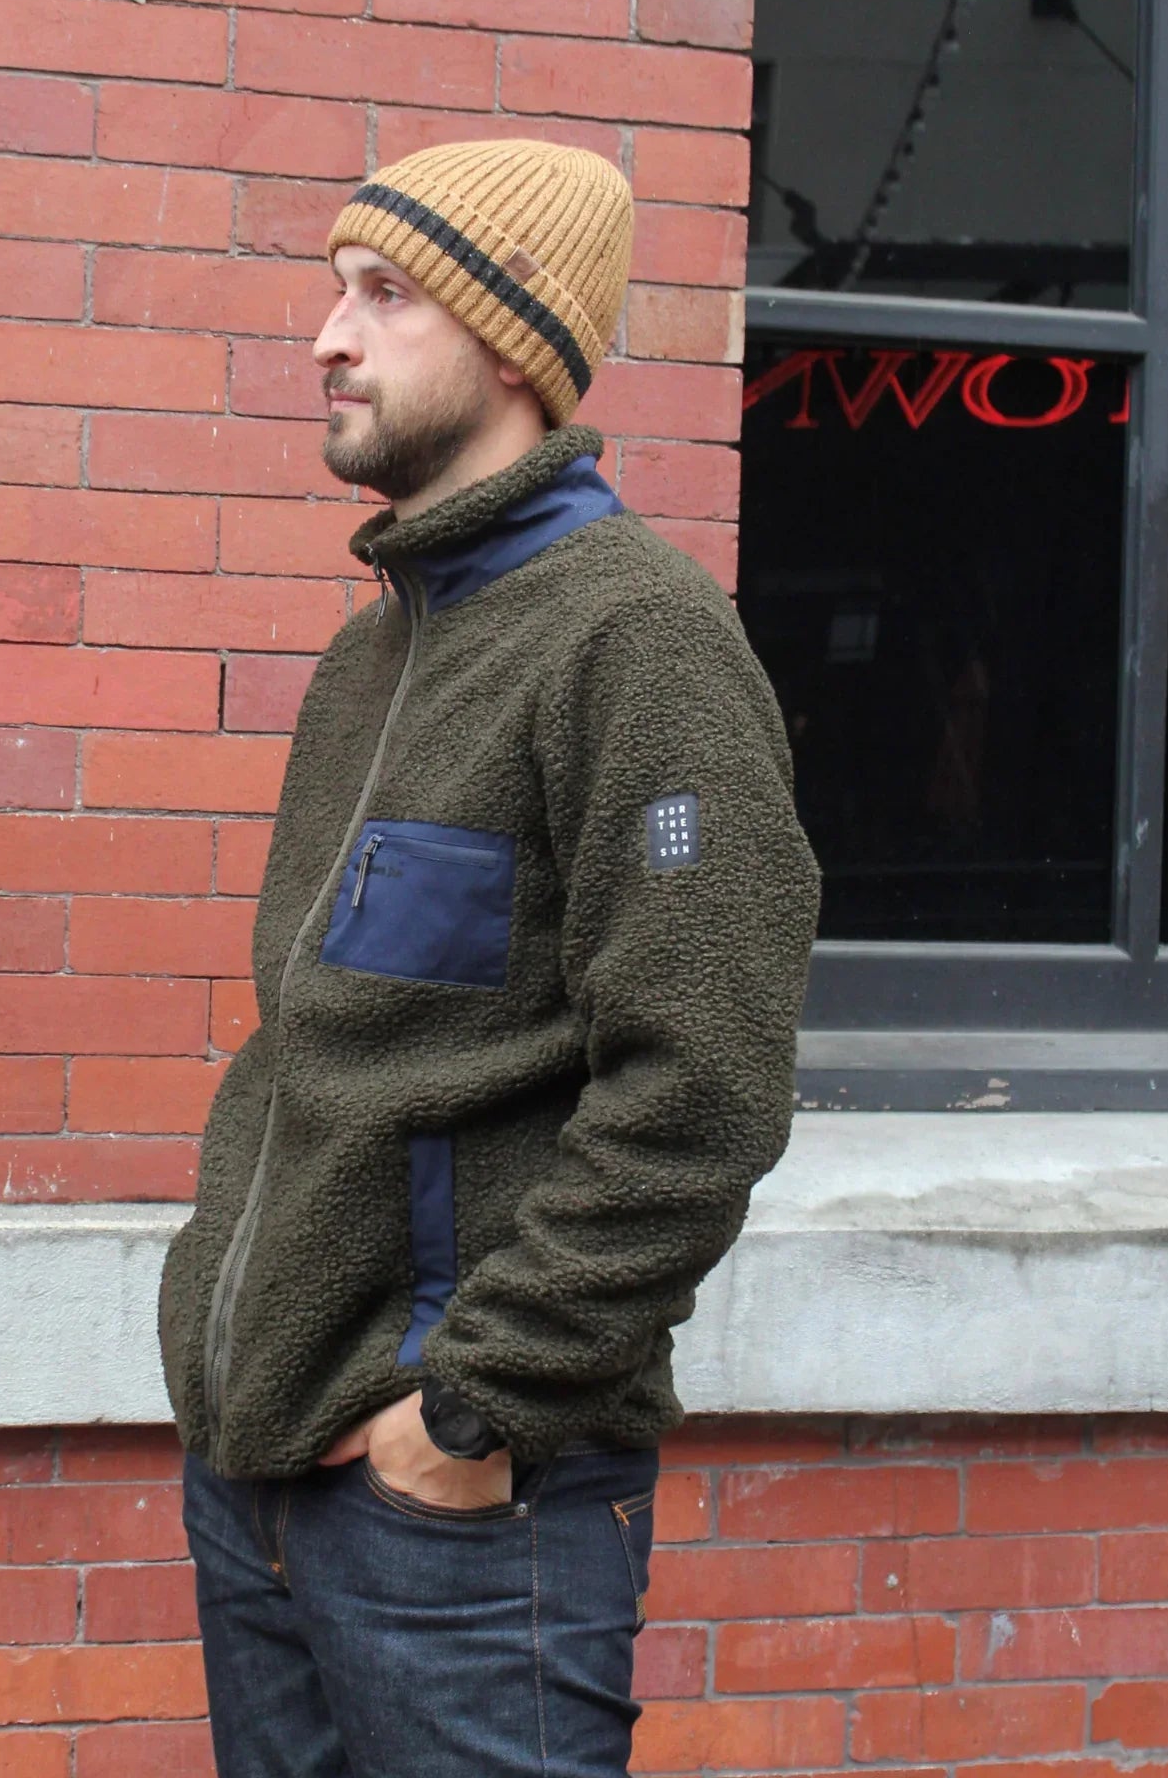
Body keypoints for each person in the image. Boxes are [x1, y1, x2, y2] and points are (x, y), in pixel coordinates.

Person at [156, 138, 822, 1777]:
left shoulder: (636, 640)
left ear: (513, 345)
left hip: (458, 1520)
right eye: (336, 289)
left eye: (384, 295)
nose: (329, 334)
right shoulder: (372, 656)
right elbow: (327, 1056)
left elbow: (704, 1088)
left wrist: (470, 1412)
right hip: (262, 1476)